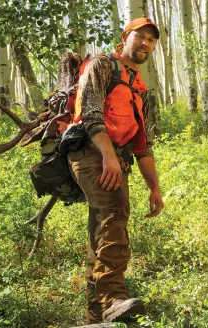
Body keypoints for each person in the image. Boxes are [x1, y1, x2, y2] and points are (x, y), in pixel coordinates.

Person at [67, 17, 164, 324]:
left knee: (102, 228)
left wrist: (154, 188)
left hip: (115, 158)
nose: (145, 43)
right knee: (115, 211)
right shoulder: (101, 66)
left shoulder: (140, 88)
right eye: (141, 37)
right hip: (90, 151)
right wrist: (108, 156)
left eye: (151, 40)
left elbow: (142, 144)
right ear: (126, 38)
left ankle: (95, 315)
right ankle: (112, 299)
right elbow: (91, 116)